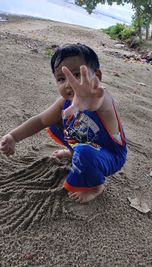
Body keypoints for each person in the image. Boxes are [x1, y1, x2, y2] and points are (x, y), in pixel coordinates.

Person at [0, 43, 127, 203]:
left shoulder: (102, 99)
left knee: (85, 152)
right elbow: (39, 121)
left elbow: (104, 104)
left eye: (77, 75)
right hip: (87, 145)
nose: (68, 84)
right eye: (61, 78)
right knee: (55, 122)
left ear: (97, 76)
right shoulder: (64, 103)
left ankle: (96, 186)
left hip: (110, 155)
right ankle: (76, 152)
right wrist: (13, 137)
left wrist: (92, 101)